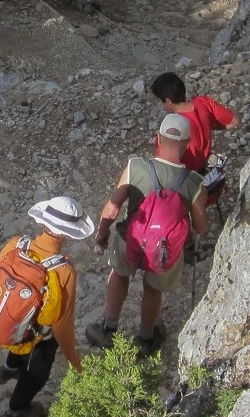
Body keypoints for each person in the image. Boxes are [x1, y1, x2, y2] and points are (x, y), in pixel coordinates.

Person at [85, 115, 208, 357]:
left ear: (158, 138)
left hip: (129, 239)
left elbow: (112, 209)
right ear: (187, 144)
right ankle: (145, 339)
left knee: (119, 274)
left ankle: (108, 330)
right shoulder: (194, 182)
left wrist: (102, 233)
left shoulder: (136, 167)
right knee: (153, 289)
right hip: (165, 250)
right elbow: (201, 227)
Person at [0, 197, 94, 417]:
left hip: (7, 324)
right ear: (69, 234)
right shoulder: (63, 271)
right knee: (37, 374)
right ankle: (15, 412)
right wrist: (74, 361)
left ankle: (8, 370)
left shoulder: (15, 244)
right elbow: (62, 324)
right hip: (35, 339)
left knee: (21, 322)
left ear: (42, 222)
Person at [150, 72, 239, 174]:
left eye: (162, 101)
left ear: (168, 101)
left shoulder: (173, 127)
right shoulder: (203, 102)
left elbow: (164, 163)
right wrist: (208, 125)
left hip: (184, 175)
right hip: (203, 167)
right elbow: (234, 121)